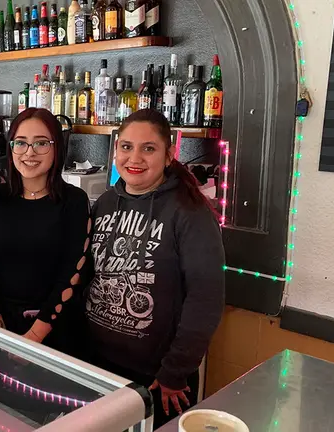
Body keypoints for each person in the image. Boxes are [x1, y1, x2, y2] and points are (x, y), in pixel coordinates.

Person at [84, 109, 225, 428]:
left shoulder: (190, 212)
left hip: (157, 378)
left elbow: (206, 299)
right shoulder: (105, 203)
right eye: (126, 147)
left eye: (148, 148)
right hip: (97, 365)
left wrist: (175, 371)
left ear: (168, 155)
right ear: (116, 150)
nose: (135, 158)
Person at [0, 107, 95, 423]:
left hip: (54, 336)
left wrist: (33, 338)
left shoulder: (74, 201)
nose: (29, 152)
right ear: (10, 148)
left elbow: (72, 273)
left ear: (57, 148)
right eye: (21, 143)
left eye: (41, 143)